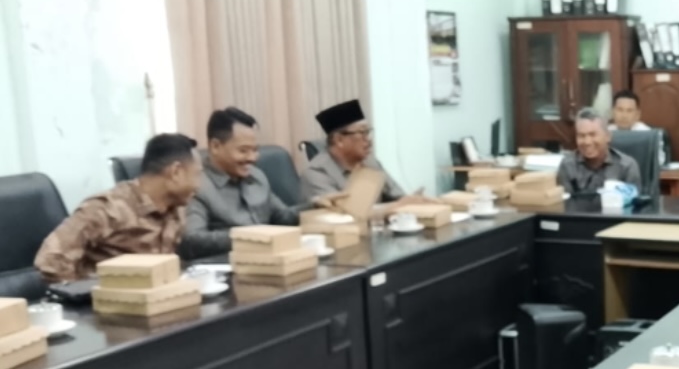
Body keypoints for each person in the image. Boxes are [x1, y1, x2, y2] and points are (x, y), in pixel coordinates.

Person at [35, 134, 201, 282]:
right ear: (175, 172)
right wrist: (84, 295)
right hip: (110, 302)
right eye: (197, 175)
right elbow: (49, 260)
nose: (199, 186)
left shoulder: (176, 209)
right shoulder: (107, 208)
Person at [180, 108, 300, 258]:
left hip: (268, 259)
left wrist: (315, 205)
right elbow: (192, 241)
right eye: (243, 151)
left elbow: (282, 216)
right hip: (227, 264)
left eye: (255, 150)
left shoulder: (256, 175)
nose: (252, 158)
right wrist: (248, 237)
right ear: (215, 146)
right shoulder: (196, 186)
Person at [300, 99, 423, 205]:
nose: (369, 140)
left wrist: (414, 201)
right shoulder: (316, 174)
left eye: (368, 132)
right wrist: (392, 208)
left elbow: (398, 196)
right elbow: (341, 214)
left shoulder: (370, 162)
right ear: (339, 140)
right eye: (362, 133)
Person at [556, 108, 642, 195]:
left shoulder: (626, 167)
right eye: (581, 136)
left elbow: (634, 201)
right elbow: (563, 202)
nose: (587, 142)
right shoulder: (568, 166)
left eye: (593, 135)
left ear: (607, 136)